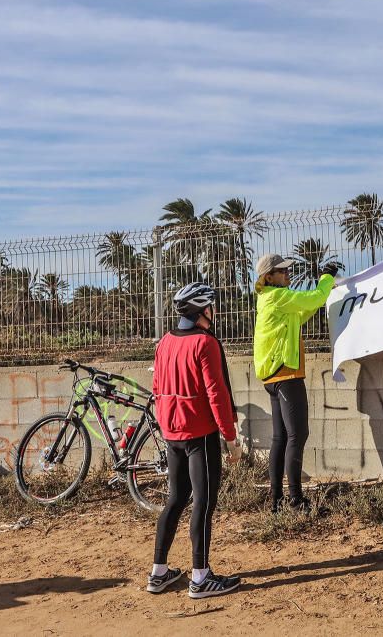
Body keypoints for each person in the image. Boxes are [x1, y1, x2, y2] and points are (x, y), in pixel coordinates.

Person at [148, 282, 242, 598]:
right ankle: (200, 578)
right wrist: (230, 436)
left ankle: (158, 573)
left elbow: (157, 387)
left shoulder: (164, 342)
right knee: (203, 502)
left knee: (176, 499)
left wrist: (167, 423)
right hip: (199, 435)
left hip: (171, 433)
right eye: (210, 307)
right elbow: (217, 393)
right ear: (201, 309)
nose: (214, 312)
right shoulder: (205, 344)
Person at [253, 253, 337, 513]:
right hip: (286, 375)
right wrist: (326, 279)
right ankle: (296, 499)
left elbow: (304, 311)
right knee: (298, 434)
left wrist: (324, 293)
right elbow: (312, 298)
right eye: (283, 271)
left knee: (281, 438)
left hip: (275, 376)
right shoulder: (277, 298)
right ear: (269, 277)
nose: (288, 274)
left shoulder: (273, 301)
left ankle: (276, 500)